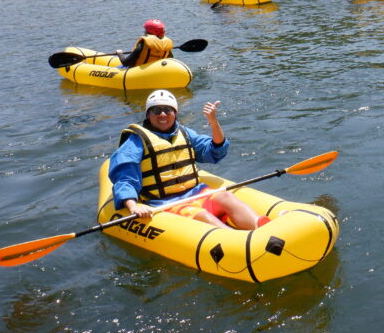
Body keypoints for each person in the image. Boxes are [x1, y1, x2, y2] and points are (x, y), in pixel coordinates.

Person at [108, 89, 269, 230]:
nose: (162, 114)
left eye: (167, 110)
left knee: (227, 197)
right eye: (156, 110)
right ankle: (237, 242)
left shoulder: (184, 133)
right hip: (163, 202)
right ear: (148, 115)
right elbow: (125, 175)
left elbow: (214, 152)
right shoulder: (136, 140)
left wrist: (213, 123)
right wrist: (133, 206)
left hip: (195, 193)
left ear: (175, 113)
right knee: (202, 215)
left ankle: (260, 226)